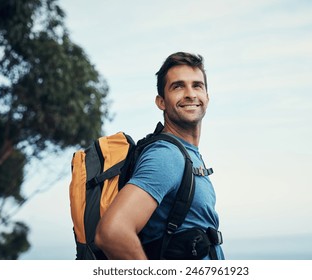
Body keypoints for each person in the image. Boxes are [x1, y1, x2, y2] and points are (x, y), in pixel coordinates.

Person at [94, 51, 224, 260]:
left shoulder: (188, 155)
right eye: (178, 86)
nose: (190, 94)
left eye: (197, 85)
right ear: (161, 101)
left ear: (207, 97)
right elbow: (112, 232)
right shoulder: (166, 156)